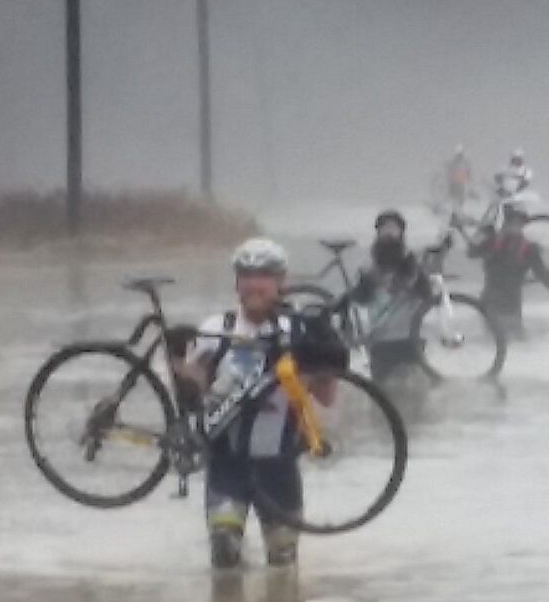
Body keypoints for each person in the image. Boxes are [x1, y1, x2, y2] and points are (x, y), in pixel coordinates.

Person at [175, 237, 339, 570]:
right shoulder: (216, 330)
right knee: (224, 553)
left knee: (282, 565)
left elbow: (328, 397)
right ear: (237, 282)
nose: (254, 283)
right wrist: (176, 360)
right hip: (226, 465)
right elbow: (191, 394)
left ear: (281, 283)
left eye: (263, 275)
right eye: (246, 275)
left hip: (279, 466)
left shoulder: (298, 332)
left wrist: (326, 358)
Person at [349, 208, 429, 377]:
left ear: (401, 234)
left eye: (394, 229)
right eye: (385, 229)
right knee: (383, 394)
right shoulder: (368, 266)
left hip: (409, 340)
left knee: (416, 391)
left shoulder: (412, 264)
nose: (389, 233)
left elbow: (426, 294)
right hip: (380, 343)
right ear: (378, 233)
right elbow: (358, 300)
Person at [469, 199, 549, 339]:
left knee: (510, 342)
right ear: (504, 224)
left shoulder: (527, 249)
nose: (514, 227)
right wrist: (483, 231)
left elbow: (541, 273)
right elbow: (471, 252)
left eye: (518, 224)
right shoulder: (494, 243)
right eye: (511, 223)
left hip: (510, 305)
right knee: (499, 342)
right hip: (492, 302)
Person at [443, 145, 474, 210]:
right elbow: (449, 171)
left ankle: (458, 212)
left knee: (459, 199)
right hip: (456, 183)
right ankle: (456, 212)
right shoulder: (460, 162)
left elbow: (468, 172)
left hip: (459, 184)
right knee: (456, 199)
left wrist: (469, 178)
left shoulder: (463, 162)